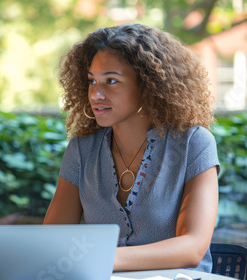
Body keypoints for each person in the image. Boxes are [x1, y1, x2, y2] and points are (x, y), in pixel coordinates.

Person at [43, 23, 219, 272]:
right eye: (92, 81)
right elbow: (51, 241)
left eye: (111, 81)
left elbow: (192, 248)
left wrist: (101, 259)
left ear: (148, 85)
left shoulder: (194, 143)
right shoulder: (82, 151)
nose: (95, 94)